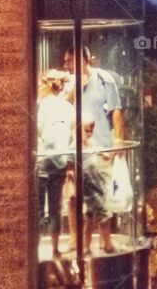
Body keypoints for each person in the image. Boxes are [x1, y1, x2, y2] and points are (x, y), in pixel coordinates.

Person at [37, 71, 75, 257]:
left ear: (47, 85)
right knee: (55, 208)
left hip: (42, 161)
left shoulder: (41, 106)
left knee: (36, 208)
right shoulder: (68, 108)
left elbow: (39, 131)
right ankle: (54, 248)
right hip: (59, 163)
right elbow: (71, 136)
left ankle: (34, 248)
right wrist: (66, 162)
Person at [81, 119, 116, 254]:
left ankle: (86, 246)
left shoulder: (91, 144)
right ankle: (107, 244)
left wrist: (107, 155)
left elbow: (100, 153)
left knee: (89, 218)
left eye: (91, 131)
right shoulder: (77, 148)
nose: (89, 134)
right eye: (86, 130)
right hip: (89, 187)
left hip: (97, 185)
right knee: (104, 214)